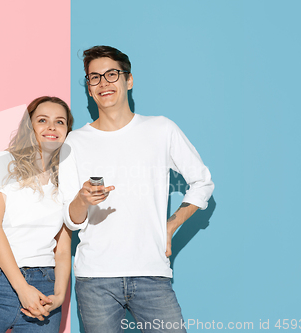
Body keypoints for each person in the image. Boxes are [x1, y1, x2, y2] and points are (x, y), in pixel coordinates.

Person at [59, 46, 214, 333]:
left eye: (111, 74)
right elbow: (71, 220)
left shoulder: (161, 129)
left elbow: (202, 181)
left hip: (151, 273)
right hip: (95, 279)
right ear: (89, 89)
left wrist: (171, 225)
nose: (103, 83)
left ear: (129, 80)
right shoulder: (74, 142)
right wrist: (82, 199)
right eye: (94, 78)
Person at [0, 96, 74, 333]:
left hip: (44, 286)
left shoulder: (68, 178)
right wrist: (22, 288)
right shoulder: (2, 162)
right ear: (29, 127)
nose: (52, 127)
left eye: (60, 122)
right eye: (42, 120)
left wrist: (59, 295)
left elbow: (62, 247)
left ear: (67, 131)